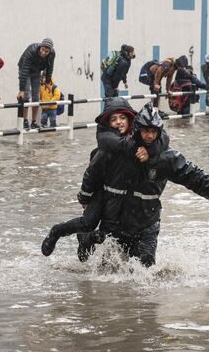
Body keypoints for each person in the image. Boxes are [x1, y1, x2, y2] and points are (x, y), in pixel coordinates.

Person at [77, 103, 209, 267]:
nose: (149, 136)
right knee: (108, 271)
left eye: (154, 131)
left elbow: (194, 176)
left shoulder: (167, 158)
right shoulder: (117, 151)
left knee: (146, 271)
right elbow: (93, 173)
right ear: (137, 130)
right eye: (145, 131)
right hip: (116, 222)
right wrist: (85, 198)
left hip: (147, 223)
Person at [41, 97, 146, 257]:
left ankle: (88, 242)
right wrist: (85, 198)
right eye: (114, 119)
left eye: (122, 117)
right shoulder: (107, 144)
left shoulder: (139, 138)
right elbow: (92, 173)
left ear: (130, 118)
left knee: (107, 233)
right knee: (87, 223)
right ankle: (57, 231)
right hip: (100, 193)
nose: (119, 122)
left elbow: (159, 141)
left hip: (121, 197)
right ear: (108, 123)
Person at [18, 38, 55, 130]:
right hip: (24, 69)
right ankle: (25, 121)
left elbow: (50, 67)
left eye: (46, 51)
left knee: (36, 96)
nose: (43, 53)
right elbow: (24, 70)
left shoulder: (52, 54)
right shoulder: (31, 50)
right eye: (42, 50)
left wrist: (47, 82)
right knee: (26, 95)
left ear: (49, 51)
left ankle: (34, 122)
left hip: (37, 70)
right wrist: (21, 90)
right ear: (40, 47)